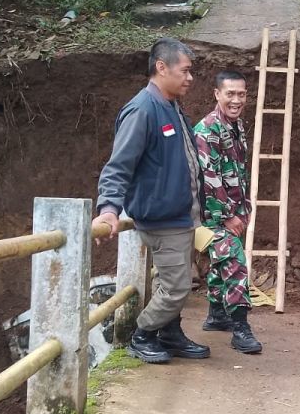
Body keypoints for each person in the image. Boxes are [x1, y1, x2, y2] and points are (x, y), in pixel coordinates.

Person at [93, 37, 210, 364]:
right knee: (177, 287)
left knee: (168, 281)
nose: (190, 78)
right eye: (185, 71)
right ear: (162, 67)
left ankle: (170, 334)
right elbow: (119, 165)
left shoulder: (170, 106)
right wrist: (108, 209)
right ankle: (142, 335)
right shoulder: (143, 110)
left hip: (180, 217)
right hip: (163, 220)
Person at [193, 70, 263, 354]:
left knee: (221, 260)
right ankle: (240, 327)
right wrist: (227, 216)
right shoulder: (207, 130)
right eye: (230, 94)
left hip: (232, 210)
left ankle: (216, 314)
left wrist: (242, 210)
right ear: (217, 94)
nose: (237, 100)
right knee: (233, 259)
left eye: (242, 94)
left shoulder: (235, 125)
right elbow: (208, 180)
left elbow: (235, 172)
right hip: (212, 215)